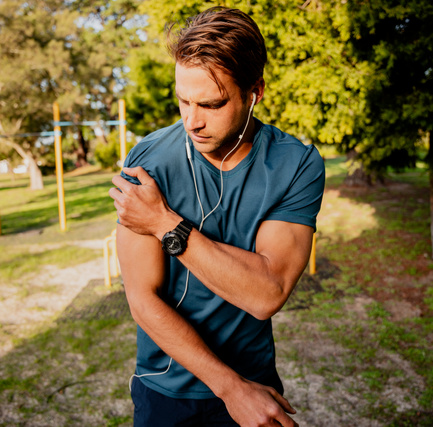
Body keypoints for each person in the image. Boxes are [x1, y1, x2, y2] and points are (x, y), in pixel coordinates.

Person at [109, 7, 325, 426]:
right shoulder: (147, 162)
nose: (192, 120)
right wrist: (229, 387)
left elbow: (267, 293)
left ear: (254, 91)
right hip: (165, 389)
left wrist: (163, 223)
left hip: (256, 381)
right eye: (183, 101)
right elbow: (141, 298)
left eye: (211, 103)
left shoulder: (296, 165)